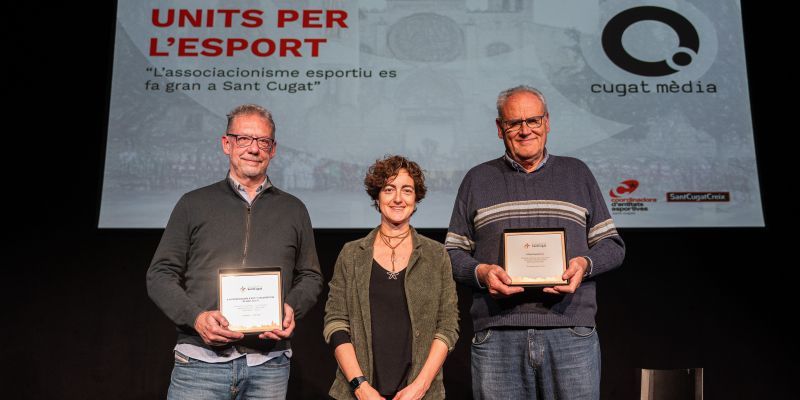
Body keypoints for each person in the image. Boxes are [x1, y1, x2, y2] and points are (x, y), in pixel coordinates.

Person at [445, 86, 625, 399]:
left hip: (570, 331)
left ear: (547, 122)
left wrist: (584, 264)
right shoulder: (477, 179)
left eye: (533, 120)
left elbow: (612, 245)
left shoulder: (577, 173)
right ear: (500, 128)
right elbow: (451, 253)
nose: (525, 130)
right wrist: (482, 273)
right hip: (498, 334)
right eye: (514, 123)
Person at [146, 104, 323, 399]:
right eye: (244, 139)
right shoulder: (193, 204)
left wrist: (292, 307)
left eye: (262, 141)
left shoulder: (294, 209)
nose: (253, 149)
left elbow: (311, 276)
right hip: (199, 364)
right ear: (226, 143)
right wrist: (196, 318)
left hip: (269, 366)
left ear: (273, 149)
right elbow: (160, 274)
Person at [324, 155, 460, 399]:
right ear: (377, 197)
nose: (398, 198)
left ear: (416, 199)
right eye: (389, 189)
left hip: (420, 394)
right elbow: (336, 323)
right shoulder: (352, 254)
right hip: (359, 392)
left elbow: (447, 326)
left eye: (407, 190)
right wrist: (360, 386)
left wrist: (420, 386)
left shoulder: (436, 255)